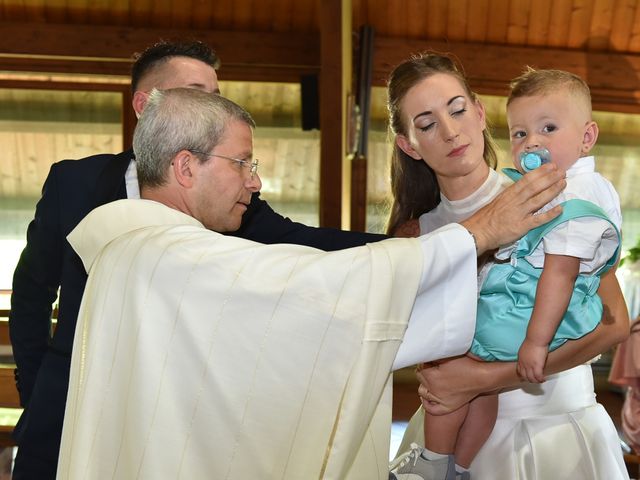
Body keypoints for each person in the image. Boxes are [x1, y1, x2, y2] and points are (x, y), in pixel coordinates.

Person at [56, 87, 561, 479]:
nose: (254, 182)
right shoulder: (173, 257)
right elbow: (313, 287)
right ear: (186, 166)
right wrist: (478, 234)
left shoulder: (131, 251)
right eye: (242, 163)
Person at [9, 40, 390, 479]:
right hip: (67, 396)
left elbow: (301, 241)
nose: (216, 105)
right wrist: (36, 387)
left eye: (218, 94)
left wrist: (401, 243)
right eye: (199, 93)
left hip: (170, 405)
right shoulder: (73, 182)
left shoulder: (223, 194)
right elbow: (32, 293)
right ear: (144, 105)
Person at [385, 53, 630, 480]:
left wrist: (482, 378)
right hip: (455, 428)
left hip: (555, 427)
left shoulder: (551, 192)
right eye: (426, 124)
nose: (450, 131)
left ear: (480, 113)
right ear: (409, 145)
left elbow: (614, 325)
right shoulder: (412, 235)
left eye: (458, 110)